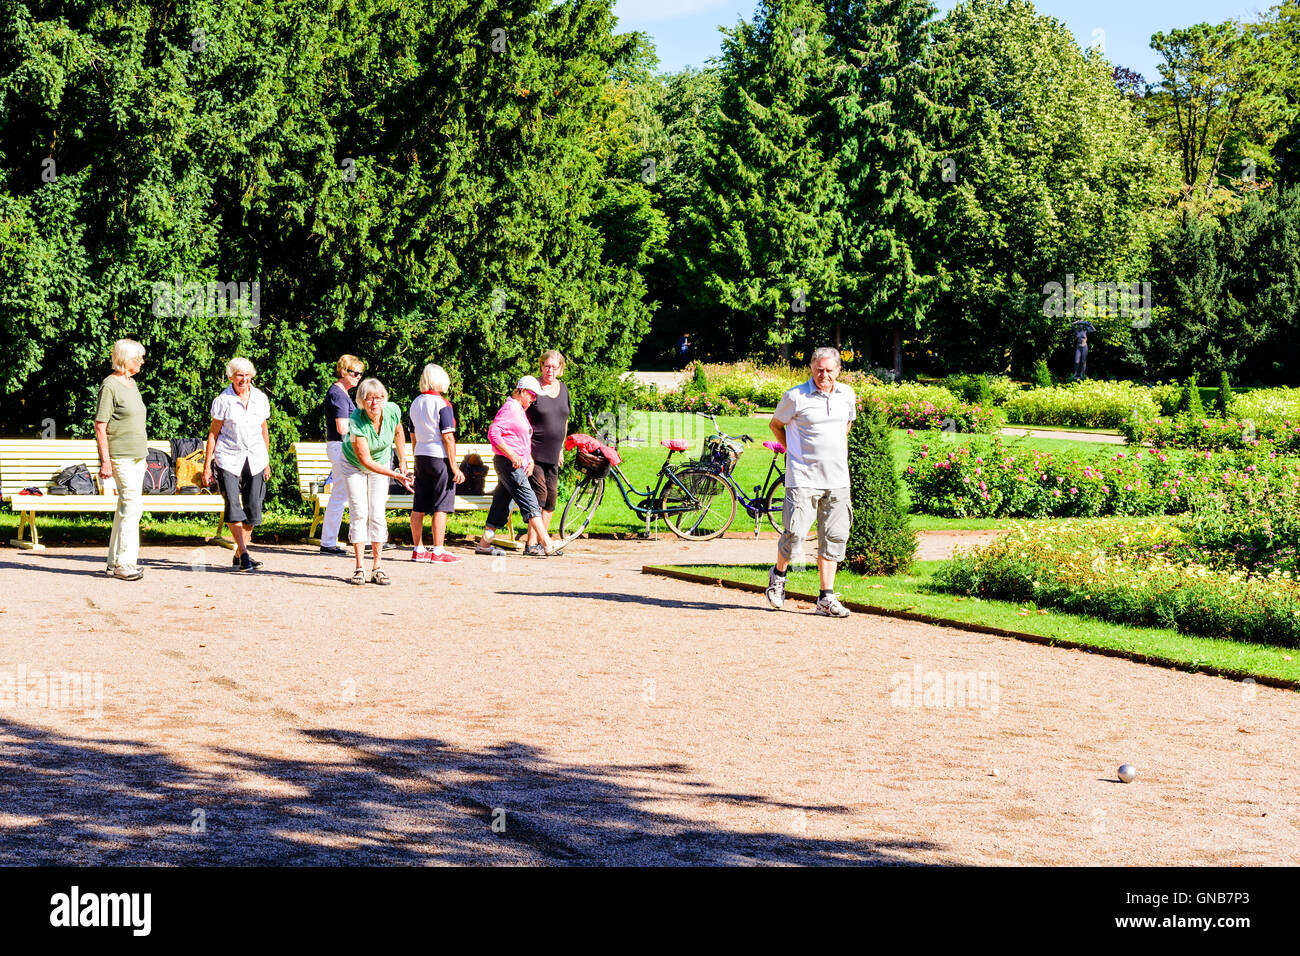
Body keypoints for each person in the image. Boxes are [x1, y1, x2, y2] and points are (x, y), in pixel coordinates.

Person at [765, 347, 857, 618]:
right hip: (803, 477)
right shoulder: (795, 396)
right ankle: (778, 576)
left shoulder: (847, 395)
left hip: (838, 479)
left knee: (834, 537)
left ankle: (826, 597)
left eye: (829, 370)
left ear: (839, 370)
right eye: (819, 369)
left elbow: (846, 425)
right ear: (811, 368)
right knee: (795, 533)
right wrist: (794, 451)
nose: (824, 375)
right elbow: (775, 425)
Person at [475, 376, 561, 557]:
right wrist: (512, 455)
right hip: (508, 464)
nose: (533, 399)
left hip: (513, 463)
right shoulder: (510, 409)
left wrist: (528, 457)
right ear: (521, 391)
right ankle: (546, 542)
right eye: (531, 395)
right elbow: (494, 433)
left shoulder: (518, 409)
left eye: (535, 396)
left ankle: (484, 544)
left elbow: (519, 438)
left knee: (500, 507)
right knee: (530, 500)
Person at [340, 377, 413, 584]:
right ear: (362, 401)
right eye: (369, 399)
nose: (374, 403)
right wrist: (396, 475)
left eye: (379, 398)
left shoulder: (392, 410)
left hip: (381, 461)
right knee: (359, 511)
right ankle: (359, 567)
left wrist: (403, 461)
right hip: (354, 464)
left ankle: (378, 566)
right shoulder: (355, 420)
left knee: (377, 511)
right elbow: (365, 459)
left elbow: (399, 431)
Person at [202, 358, 272, 572]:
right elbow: (213, 433)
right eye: (238, 375)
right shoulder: (223, 400)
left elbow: (264, 431)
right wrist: (207, 465)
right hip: (228, 459)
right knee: (233, 504)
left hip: (256, 458)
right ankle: (244, 553)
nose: (243, 379)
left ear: (252, 376)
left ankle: (239, 553)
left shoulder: (260, 398)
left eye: (246, 375)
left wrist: (266, 461)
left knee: (253, 508)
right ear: (231, 376)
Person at [94, 339, 149, 581]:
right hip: (121, 456)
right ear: (125, 359)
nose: (142, 362)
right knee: (132, 507)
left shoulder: (132, 383)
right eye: (138, 358)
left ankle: (114, 561)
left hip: (139, 455)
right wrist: (105, 461)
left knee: (125, 508)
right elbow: (100, 425)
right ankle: (125, 564)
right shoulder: (110, 386)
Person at [408, 363, 465, 563]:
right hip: (439, 457)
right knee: (441, 504)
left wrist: (416, 456)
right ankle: (438, 551)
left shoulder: (415, 402)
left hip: (421, 455)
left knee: (419, 504)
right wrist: (454, 466)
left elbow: (412, 434)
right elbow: (448, 437)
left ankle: (418, 548)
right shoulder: (443, 404)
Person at [524, 350, 571, 550]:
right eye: (547, 366)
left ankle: (541, 544)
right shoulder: (533, 388)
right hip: (534, 452)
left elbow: (564, 420)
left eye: (554, 366)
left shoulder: (564, 389)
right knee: (539, 495)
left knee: (551, 498)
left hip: (553, 453)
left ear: (560, 369)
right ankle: (532, 543)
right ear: (541, 366)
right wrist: (525, 452)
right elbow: (520, 417)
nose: (550, 370)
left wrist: (561, 448)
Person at [320, 355, 364, 555]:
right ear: (344, 372)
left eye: (360, 374)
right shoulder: (338, 394)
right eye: (354, 373)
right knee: (341, 495)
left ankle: (331, 541)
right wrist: (361, 442)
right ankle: (329, 542)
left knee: (342, 494)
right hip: (342, 447)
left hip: (340, 447)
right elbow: (342, 427)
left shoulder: (341, 393)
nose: (358, 377)